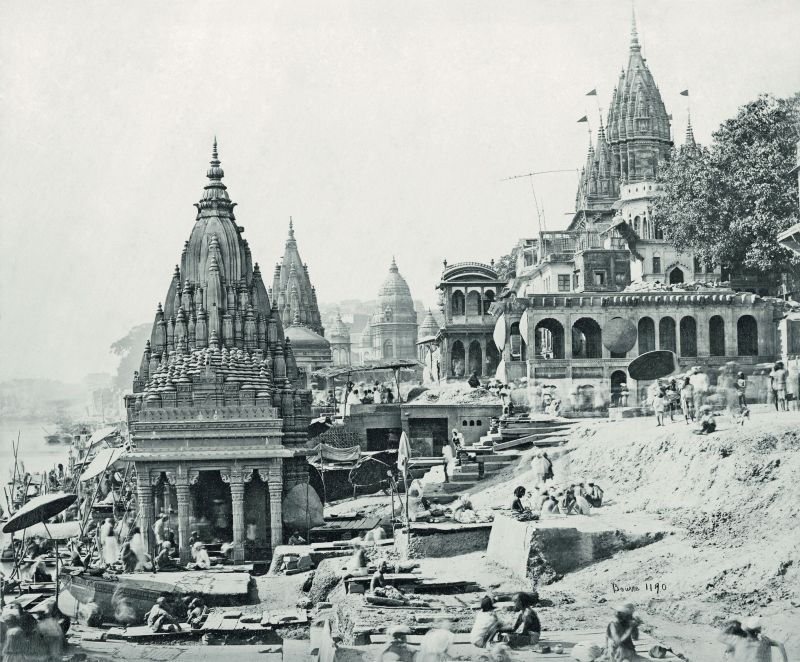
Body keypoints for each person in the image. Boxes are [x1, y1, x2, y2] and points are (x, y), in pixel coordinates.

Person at [718, 617, 788, 662]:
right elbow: (780, 644)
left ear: (746, 630)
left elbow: (720, 637)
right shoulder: (764, 640)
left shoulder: (739, 640)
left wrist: (732, 625)